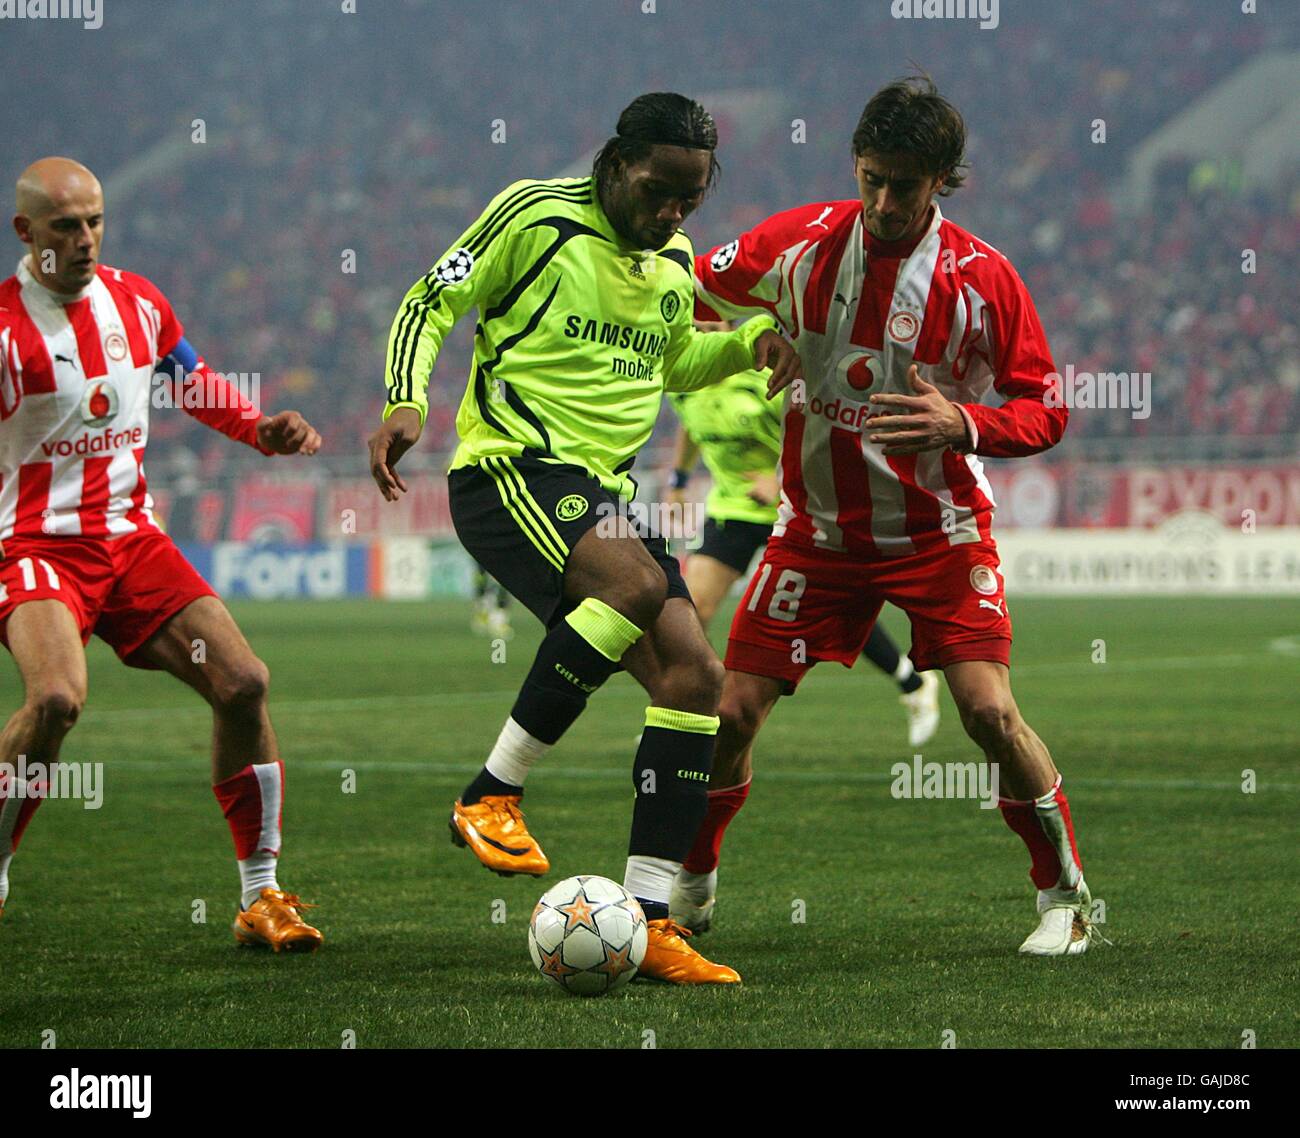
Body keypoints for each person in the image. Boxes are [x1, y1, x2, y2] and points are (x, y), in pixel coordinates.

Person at [368, 93, 800, 984]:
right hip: (510, 471)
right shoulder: (535, 215)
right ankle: (490, 794)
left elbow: (674, 359)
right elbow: (428, 300)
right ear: (615, 164)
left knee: (697, 679)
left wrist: (755, 339)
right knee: (634, 589)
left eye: (689, 200)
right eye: (656, 191)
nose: (671, 214)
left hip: (599, 495)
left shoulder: (675, 259)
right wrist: (406, 400)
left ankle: (648, 921)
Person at [677, 78, 1100, 956]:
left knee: (987, 713)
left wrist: (967, 422)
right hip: (819, 534)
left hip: (938, 533)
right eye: (870, 177)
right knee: (733, 712)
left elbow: (1047, 406)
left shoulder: (983, 279)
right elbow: (684, 289)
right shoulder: (796, 243)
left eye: (903, 185)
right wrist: (748, 335)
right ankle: (693, 883)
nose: (881, 201)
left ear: (941, 180)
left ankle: (1067, 897)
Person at [0, 158, 324, 953]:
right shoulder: (6, 331)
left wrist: (259, 429)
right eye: (66, 226)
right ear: (26, 233)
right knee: (56, 703)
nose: (84, 239)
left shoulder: (137, 302)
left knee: (243, 681)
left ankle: (261, 896)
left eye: (95, 221)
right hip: (36, 546)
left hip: (132, 540)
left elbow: (194, 381)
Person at [664, 321, 941, 759]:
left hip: (794, 508)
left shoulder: (764, 374)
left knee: (831, 614)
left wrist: (777, 483)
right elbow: (689, 422)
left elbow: (820, 430)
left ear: (728, 325)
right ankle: (688, 717)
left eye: (710, 321)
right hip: (731, 511)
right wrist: (679, 478)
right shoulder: (684, 375)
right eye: (695, 322)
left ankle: (913, 680)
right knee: (690, 612)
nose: (701, 328)